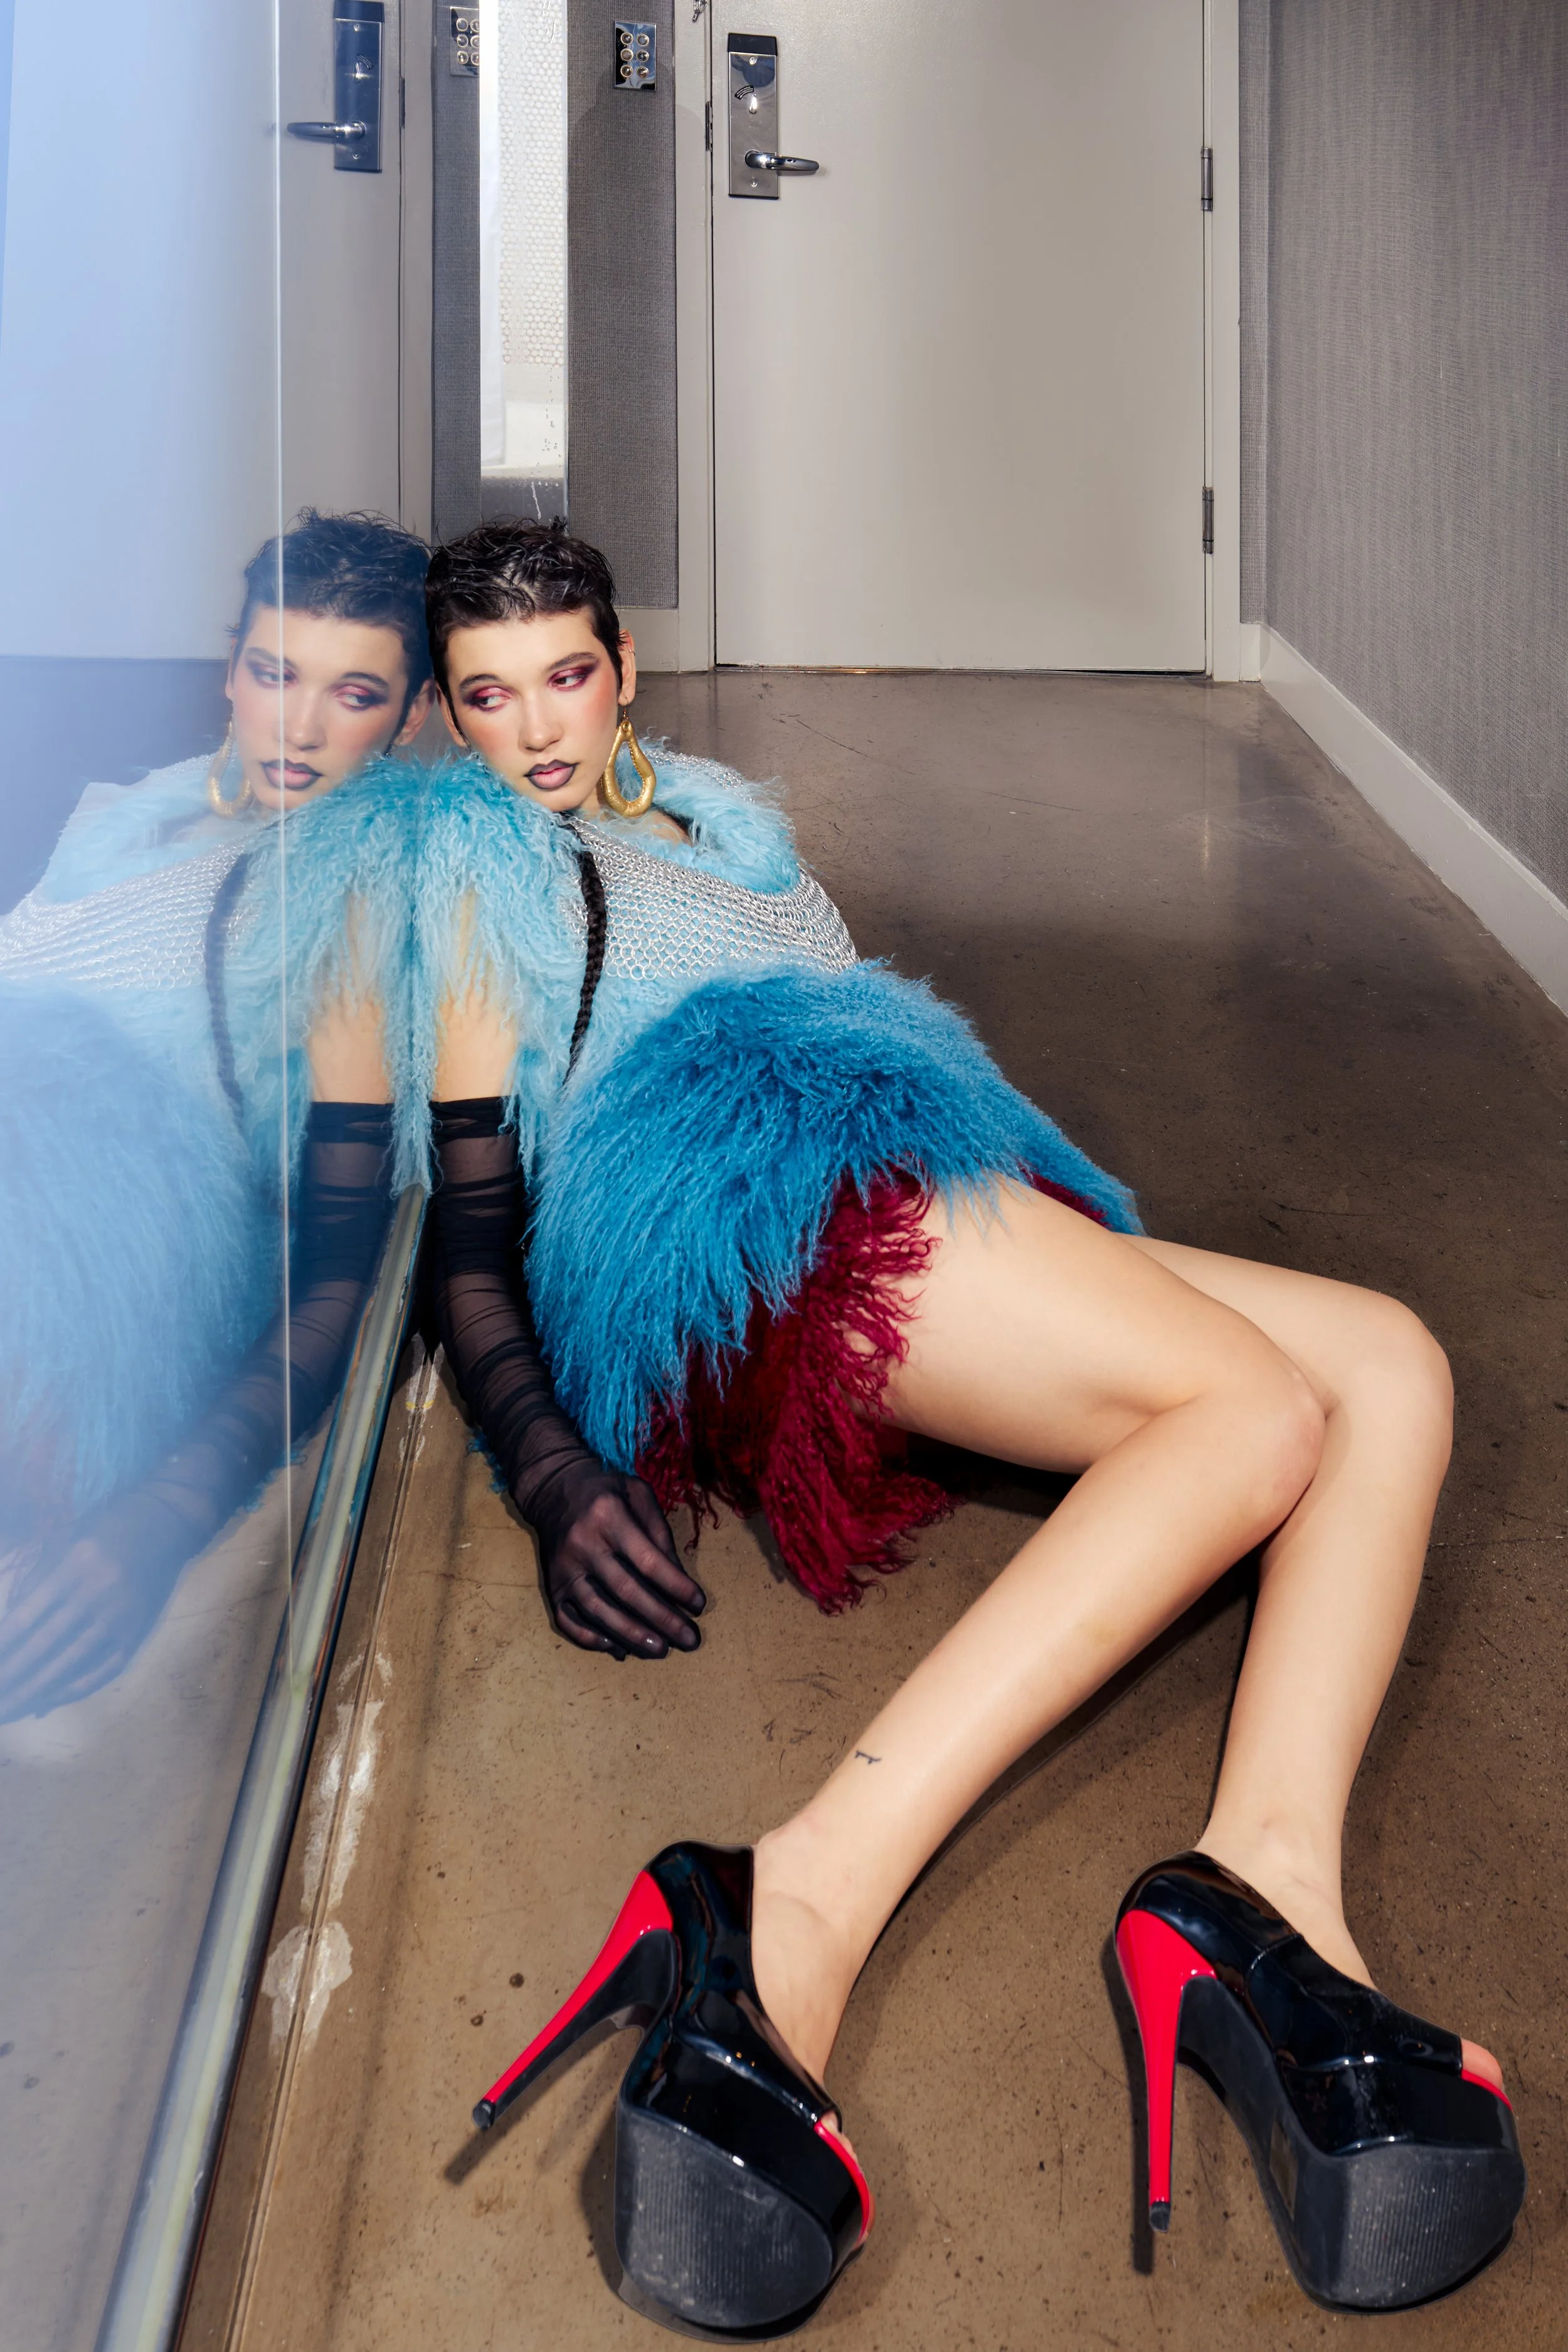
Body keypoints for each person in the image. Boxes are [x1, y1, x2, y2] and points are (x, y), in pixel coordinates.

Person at [413, 521, 1523, 2336]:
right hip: (758, 1217)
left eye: (562, 672)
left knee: (1388, 1362)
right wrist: (547, 1463)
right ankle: (784, 1901)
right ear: (451, 720)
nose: (534, 725)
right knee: (1252, 1411)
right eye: (485, 693)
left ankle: (1269, 1895)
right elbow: (474, 1230)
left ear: (620, 664)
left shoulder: (723, 822)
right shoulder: (483, 873)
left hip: (899, 1171)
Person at [0, 512, 432, 1722]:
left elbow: (342, 1271)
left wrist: (164, 1513)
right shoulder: (124, 821)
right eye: (272, 672)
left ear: (408, 720)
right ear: (228, 668)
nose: (296, 727)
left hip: (72, 1287)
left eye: (353, 694)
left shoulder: (350, 897)